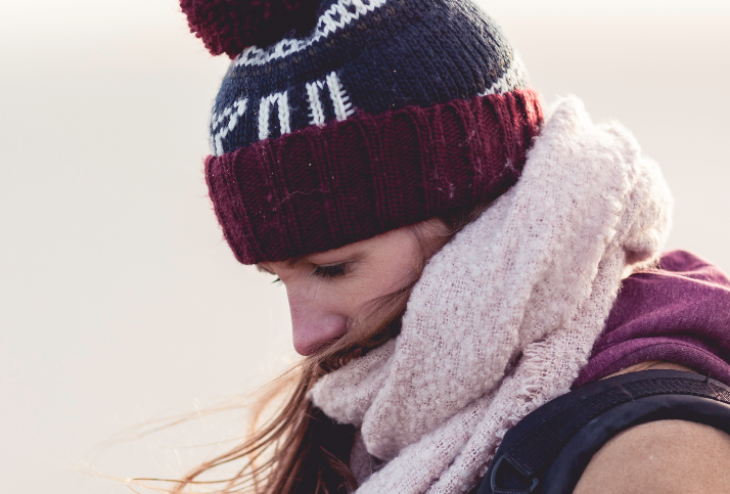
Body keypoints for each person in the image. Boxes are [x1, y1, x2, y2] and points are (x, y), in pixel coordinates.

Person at [172, 0, 730, 492]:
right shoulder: (382, 422)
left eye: (333, 268)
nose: (303, 339)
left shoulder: (652, 452)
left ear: (477, 209)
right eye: (278, 277)